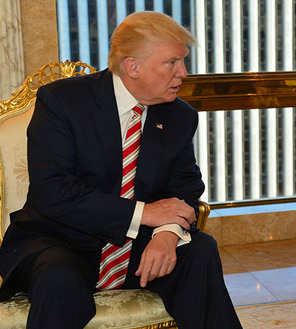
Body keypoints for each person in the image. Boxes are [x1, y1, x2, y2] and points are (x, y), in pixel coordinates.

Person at [0, 11, 242, 329]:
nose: (183, 72)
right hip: (60, 240)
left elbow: (186, 188)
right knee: (59, 275)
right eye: (172, 62)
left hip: (138, 246)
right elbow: (53, 193)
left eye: (183, 61)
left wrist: (167, 234)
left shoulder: (179, 116)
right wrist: (146, 214)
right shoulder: (62, 102)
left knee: (200, 251)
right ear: (133, 66)